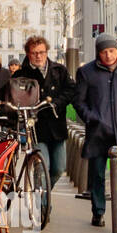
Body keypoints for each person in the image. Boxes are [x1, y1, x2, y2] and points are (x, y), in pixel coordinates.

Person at [73, 33, 117, 232]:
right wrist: (91, 117)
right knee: (97, 173)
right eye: (104, 52)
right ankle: (98, 211)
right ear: (98, 53)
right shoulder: (86, 72)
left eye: (111, 51)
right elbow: (78, 101)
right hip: (98, 131)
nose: (108, 55)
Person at [15, 35, 75, 190]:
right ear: (28, 54)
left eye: (42, 52)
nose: (38, 56)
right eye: (34, 53)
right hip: (36, 128)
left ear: (47, 52)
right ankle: (42, 207)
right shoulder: (21, 75)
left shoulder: (59, 71)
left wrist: (57, 103)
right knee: (42, 166)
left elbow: (71, 90)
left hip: (57, 126)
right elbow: (9, 95)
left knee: (58, 169)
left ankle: (44, 193)